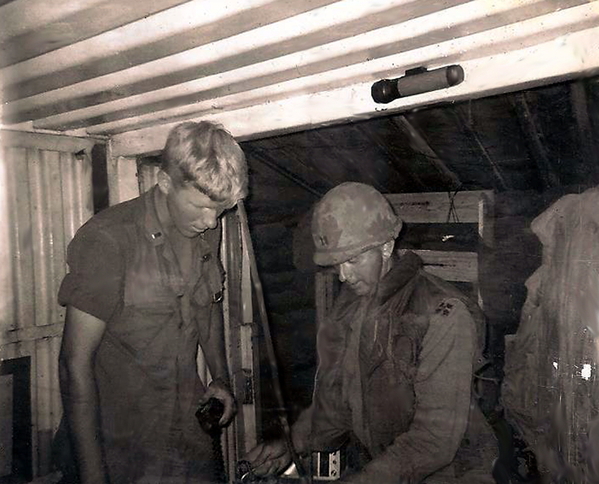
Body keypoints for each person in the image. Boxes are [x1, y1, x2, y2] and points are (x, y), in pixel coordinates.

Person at [246, 182, 496, 483]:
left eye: (353, 260)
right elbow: (339, 402)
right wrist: (291, 444)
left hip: (449, 474)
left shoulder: (443, 314)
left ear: (387, 247)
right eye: (337, 263)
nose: (343, 275)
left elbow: (434, 440)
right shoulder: (354, 305)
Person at [55, 121, 248, 484]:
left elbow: (206, 307)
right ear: (164, 183)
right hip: (119, 449)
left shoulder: (206, 229)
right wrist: (93, 476)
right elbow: (73, 363)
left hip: (187, 440)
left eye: (221, 210)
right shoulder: (109, 241)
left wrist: (219, 377)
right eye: (202, 207)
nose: (211, 222)